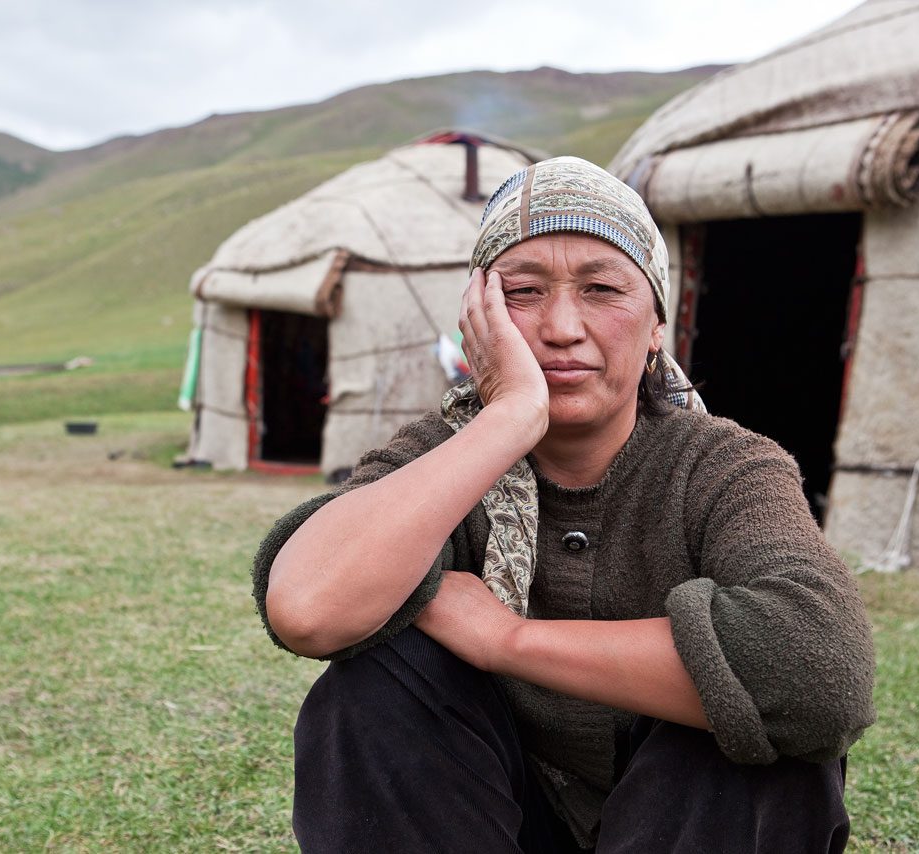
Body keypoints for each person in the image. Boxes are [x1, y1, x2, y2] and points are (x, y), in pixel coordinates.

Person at [251, 156, 876, 853]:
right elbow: (309, 609)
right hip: (493, 816)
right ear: (478, 315)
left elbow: (821, 675)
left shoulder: (725, 467)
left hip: (689, 826)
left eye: (603, 288)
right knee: (369, 692)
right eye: (522, 292)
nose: (561, 327)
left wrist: (505, 640)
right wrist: (511, 416)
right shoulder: (443, 457)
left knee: (754, 729)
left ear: (657, 326)